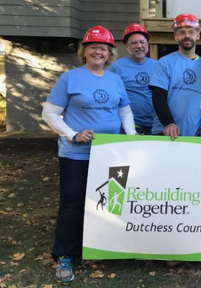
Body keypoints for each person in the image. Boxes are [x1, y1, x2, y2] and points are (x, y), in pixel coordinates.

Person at [41, 25, 136, 283]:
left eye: (103, 48)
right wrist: (72, 134)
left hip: (111, 153)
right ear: (84, 51)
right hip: (77, 154)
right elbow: (49, 113)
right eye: (93, 46)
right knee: (72, 204)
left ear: (109, 54)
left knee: (112, 202)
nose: (98, 51)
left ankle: (106, 248)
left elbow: (124, 111)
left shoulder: (115, 79)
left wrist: (131, 137)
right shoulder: (69, 78)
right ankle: (65, 256)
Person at [149, 13, 201, 139]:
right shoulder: (165, 62)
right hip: (165, 132)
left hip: (194, 134)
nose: (187, 36)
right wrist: (169, 123)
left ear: (198, 35)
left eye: (191, 31)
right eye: (182, 32)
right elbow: (158, 96)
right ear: (175, 36)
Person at [108, 23, 157, 135]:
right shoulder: (116, 67)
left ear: (147, 44)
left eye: (142, 42)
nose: (139, 46)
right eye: (134, 43)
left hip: (153, 126)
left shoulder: (157, 66)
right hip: (125, 126)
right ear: (126, 46)